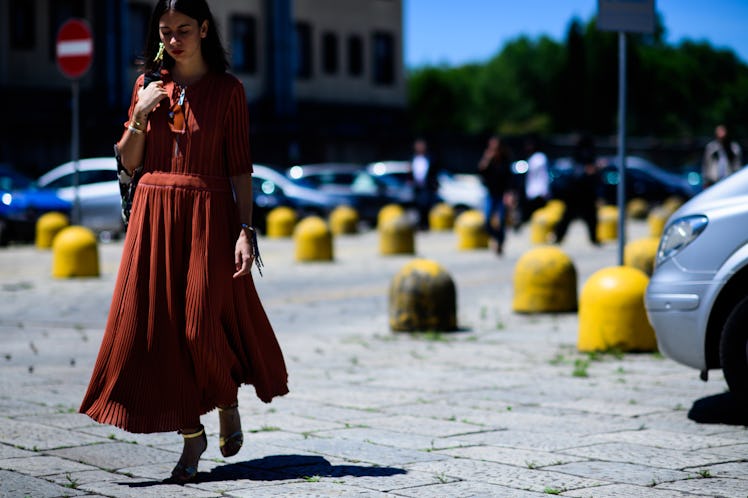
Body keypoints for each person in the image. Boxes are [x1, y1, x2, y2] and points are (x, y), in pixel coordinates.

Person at [78, 0, 288, 484]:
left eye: (185, 29)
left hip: (207, 218)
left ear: (205, 29)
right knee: (155, 336)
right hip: (153, 216)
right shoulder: (147, 87)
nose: (174, 39)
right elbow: (129, 162)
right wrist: (141, 114)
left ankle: (226, 398)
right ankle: (191, 437)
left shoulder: (228, 90)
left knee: (197, 324)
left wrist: (245, 230)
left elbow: (239, 169)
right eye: (166, 30)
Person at [553, 134, 600, 246]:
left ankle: (559, 236)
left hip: (580, 191)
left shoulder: (581, 153)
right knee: (572, 216)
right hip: (579, 191)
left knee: (586, 216)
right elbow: (583, 171)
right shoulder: (585, 154)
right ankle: (559, 236)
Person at [477, 135, 513, 255]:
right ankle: (496, 238)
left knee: (501, 220)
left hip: (502, 195)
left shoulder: (505, 161)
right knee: (487, 220)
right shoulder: (488, 161)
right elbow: (480, 171)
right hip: (490, 194)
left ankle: (500, 242)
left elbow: (510, 179)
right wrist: (487, 158)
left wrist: (509, 195)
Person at [410, 138, 439, 229]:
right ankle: (420, 224)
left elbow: (434, 172)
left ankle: (426, 224)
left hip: (427, 186)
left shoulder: (430, 158)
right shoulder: (413, 158)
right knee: (418, 206)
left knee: (426, 205)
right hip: (417, 186)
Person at [702, 124, 743, 188]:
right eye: (719, 131)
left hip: (729, 179)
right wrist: (705, 180)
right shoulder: (711, 147)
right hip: (713, 180)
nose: (720, 133)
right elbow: (706, 164)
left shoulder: (733, 147)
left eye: (722, 131)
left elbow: (737, 165)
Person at [521, 135, 550, 224]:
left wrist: (545, 190)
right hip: (532, 191)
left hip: (539, 191)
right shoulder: (531, 158)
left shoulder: (539, 157)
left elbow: (543, 175)